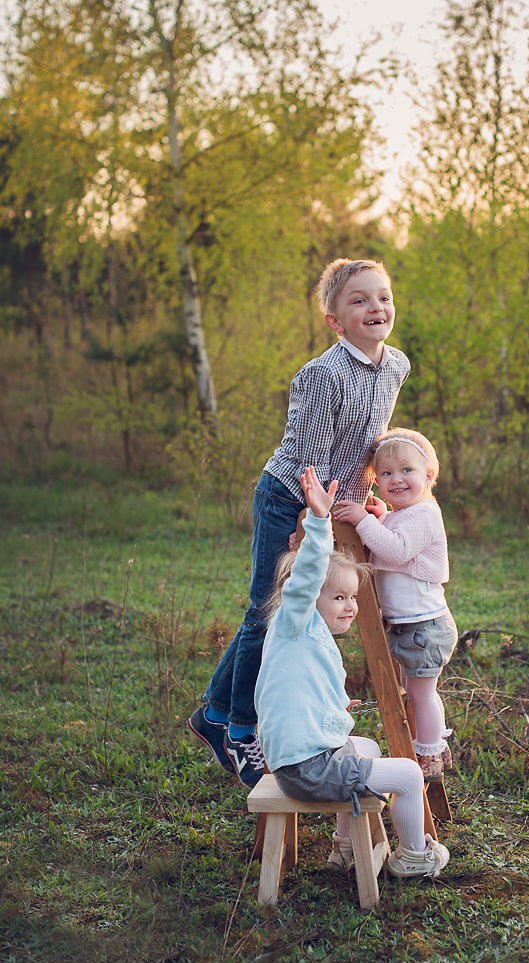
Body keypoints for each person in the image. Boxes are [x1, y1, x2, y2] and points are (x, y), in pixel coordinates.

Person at [188, 258, 410, 788]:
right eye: (358, 300)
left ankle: (212, 713)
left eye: (381, 296)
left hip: (335, 501)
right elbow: (313, 460)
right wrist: (312, 521)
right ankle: (240, 729)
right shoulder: (320, 375)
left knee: (291, 611)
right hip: (293, 497)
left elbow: (364, 444)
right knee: (268, 610)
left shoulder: (397, 365)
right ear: (335, 321)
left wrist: (367, 495)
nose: (374, 307)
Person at [255, 465, 449, 878]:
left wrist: (335, 703)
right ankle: (415, 856)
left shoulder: (303, 639)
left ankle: (344, 849)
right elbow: (307, 577)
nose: (350, 606)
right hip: (308, 768)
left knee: (369, 748)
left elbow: (297, 690)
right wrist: (321, 520)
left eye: (353, 597)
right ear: (307, 598)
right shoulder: (296, 620)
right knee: (410, 774)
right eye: (339, 597)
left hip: (303, 758)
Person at [334, 428, 458, 781]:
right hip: (408, 625)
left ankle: (430, 754)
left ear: (429, 476)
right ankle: (433, 741)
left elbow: (397, 550)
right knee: (417, 692)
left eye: (407, 471)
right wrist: (379, 517)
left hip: (424, 627)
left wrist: (363, 520)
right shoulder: (405, 513)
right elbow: (386, 544)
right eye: (385, 474)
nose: (396, 479)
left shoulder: (424, 514)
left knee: (421, 695)